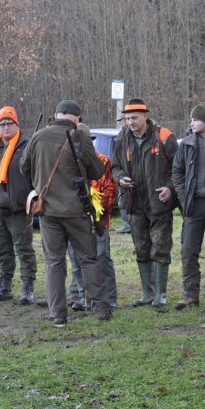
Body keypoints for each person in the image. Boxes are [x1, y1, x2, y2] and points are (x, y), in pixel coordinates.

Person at [20, 100, 111, 326]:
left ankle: (58, 316)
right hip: (76, 210)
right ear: (77, 118)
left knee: (53, 262)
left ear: (56, 115)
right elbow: (98, 171)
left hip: (47, 211)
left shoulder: (38, 136)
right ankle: (101, 310)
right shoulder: (79, 137)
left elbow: (23, 167)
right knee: (88, 259)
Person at [111, 98, 178, 307]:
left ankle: (161, 294)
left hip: (159, 202)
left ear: (145, 116)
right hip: (134, 203)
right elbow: (114, 167)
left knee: (160, 246)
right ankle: (147, 294)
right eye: (127, 118)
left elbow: (178, 169)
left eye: (134, 118)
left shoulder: (164, 136)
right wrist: (120, 178)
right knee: (141, 247)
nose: (130, 122)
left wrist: (170, 188)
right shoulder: (121, 139)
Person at [0, 106, 37, 305]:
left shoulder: (26, 146)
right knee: (2, 248)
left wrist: (31, 197)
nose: (5, 127)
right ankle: (4, 287)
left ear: (16, 124)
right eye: (2, 124)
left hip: (18, 209)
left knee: (23, 248)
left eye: (9, 123)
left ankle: (27, 288)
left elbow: (34, 174)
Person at [172, 103, 205, 309]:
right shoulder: (185, 144)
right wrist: (184, 197)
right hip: (193, 205)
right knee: (188, 250)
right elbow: (177, 172)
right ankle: (190, 294)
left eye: (195, 119)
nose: (191, 122)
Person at [67, 123, 118, 309]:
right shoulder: (67, 164)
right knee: (76, 261)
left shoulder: (103, 162)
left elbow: (110, 190)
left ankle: (110, 298)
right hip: (74, 219)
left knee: (102, 258)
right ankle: (83, 297)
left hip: (98, 220)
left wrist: (94, 210)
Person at [114, 113, 133, 235]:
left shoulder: (128, 136)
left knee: (125, 201)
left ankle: (129, 225)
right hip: (122, 173)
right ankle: (127, 224)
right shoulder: (121, 135)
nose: (122, 122)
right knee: (122, 200)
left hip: (129, 173)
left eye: (123, 120)